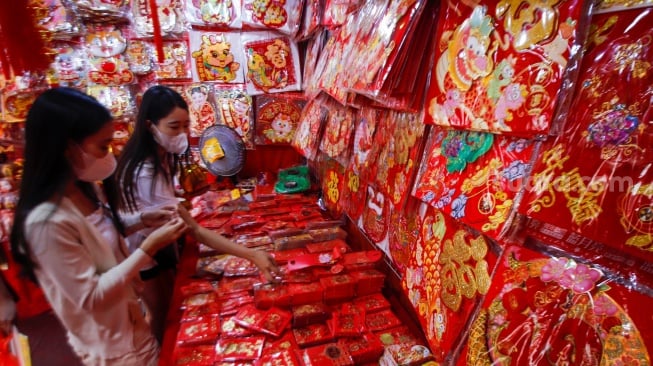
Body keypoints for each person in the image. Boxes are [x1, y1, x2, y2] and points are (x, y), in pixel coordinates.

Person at [9, 87, 188, 365]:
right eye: (103, 146)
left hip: (133, 325)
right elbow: (91, 296)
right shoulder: (45, 223)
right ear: (67, 147)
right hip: (111, 345)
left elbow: (102, 232)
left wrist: (140, 221)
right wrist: (147, 248)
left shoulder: (86, 189)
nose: (109, 155)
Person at [115, 85, 280, 341]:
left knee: (164, 307)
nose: (182, 133)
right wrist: (251, 254)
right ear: (150, 125)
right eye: (173, 126)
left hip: (158, 245)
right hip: (144, 254)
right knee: (160, 313)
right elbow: (194, 230)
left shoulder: (162, 156)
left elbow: (175, 212)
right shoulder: (145, 170)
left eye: (185, 125)